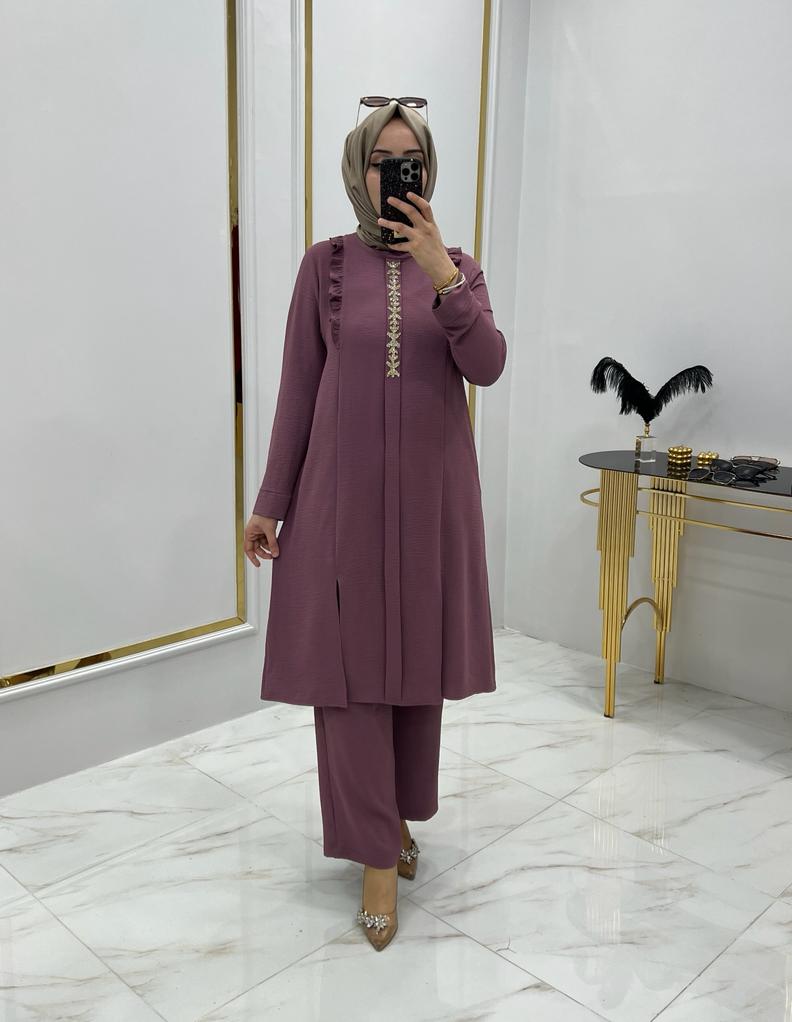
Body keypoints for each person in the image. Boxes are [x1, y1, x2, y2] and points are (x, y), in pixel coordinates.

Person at [244, 98, 507, 951]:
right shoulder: (323, 265)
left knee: (415, 670)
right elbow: (298, 388)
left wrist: (442, 276)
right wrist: (271, 501)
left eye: (411, 160)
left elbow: (487, 366)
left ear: (427, 172)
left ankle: (394, 818)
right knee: (349, 678)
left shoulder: (458, 266)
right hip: (339, 504)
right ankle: (375, 861)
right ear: (358, 169)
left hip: (433, 505)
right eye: (381, 159)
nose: (396, 172)